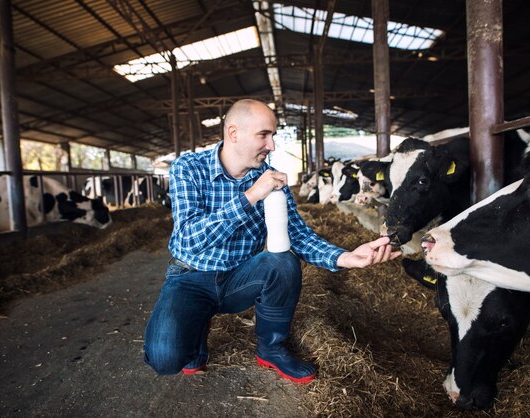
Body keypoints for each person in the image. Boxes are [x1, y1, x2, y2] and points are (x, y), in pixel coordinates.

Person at [143, 99, 402, 384]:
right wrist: (251, 196)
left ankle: (271, 348)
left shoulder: (269, 178)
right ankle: (195, 328)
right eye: (263, 135)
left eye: (273, 136)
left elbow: (298, 234)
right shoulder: (189, 168)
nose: (272, 146)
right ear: (233, 133)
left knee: (282, 260)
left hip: (239, 278)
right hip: (189, 277)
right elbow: (190, 239)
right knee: (165, 359)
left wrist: (345, 257)